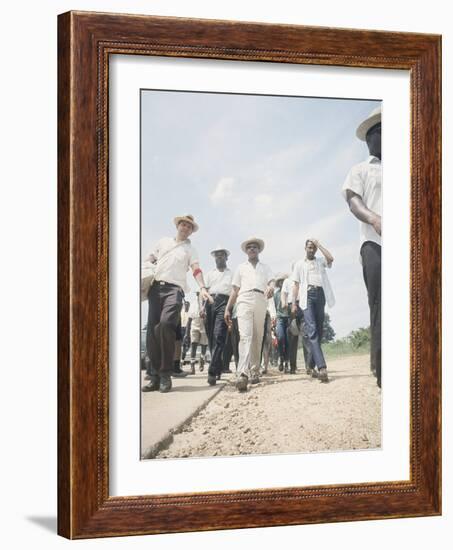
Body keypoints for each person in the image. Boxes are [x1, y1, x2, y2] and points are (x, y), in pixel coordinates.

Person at [142, 214, 212, 393]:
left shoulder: (190, 250)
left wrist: (203, 287)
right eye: (183, 224)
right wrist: (145, 266)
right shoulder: (163, 242)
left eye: (189, 226)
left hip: (175, 290)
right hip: (155, 288)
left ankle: (166, 373)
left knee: (166, 325)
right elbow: (150, 258)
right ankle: (155, 376)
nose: (185, 227)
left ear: (191, 231)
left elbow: (196, 269)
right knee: (152, 331)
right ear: (178, 226)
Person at [342, 106, 382, 388]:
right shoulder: (361, 169)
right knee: (380, 304)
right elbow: (353, 201)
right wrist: (374, 218)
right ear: (370, 139)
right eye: (377, 133)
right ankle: (383, 368)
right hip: (375, 243)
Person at [225, 237, 274, 392]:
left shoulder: (265, 267)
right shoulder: (241, 268)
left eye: (255, 247)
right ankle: (243, 373)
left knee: (257, 336)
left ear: (259, 250)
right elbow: (235, 290)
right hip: (244, 299)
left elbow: (272, 281)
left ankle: (254, 370)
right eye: (249, 247)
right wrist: (228, 308)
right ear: (246, 251)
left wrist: (271, 287)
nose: (252, 249)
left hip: (260, 299)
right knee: (245, 336)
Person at [292, 239, 335, 383]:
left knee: (319, 331)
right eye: (309, 247)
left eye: (314, 248)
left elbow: (331, 259)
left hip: (320, 295)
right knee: (312, 330)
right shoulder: (299, 264)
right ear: (305, 248)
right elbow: (296, 285)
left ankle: (310, 365)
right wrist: (293, 303)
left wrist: (320, 245)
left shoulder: (321, 261)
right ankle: (322, 368)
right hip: (307, 296)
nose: (312, 250)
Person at [204, 247, 233, 385]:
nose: (219, 258)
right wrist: (202, 307)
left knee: (219, 335)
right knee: (211, 338)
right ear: (214, 258)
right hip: (210, 303)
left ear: (226, 258)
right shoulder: (210, 274)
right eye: (217, 256)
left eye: (222, 255)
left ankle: (211, 371)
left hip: (224, 303)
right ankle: (218, 366)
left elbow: (234, 293)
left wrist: (231, 309)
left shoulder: (231, 274)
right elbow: (204, 291)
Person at [282, 268, 314, 375]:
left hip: (304, 305)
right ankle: (292, 366)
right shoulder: (287, 281)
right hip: (292, 307)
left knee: (306, 335)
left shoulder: (304, 279)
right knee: (293, 337)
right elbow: (284, 294)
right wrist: (284, 303)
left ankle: (308, 365)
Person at [273, 273, 290, 372]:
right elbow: (274, 308)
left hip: (288, 318)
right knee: (280, 337)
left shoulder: (289, 292)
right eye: (279, 281)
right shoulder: (276, 294)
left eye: (283, 281)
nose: (281, 283)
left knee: (288, 340)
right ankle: (281, 357)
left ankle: (286, 362)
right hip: (279, 318)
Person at [188, 293, 209, 374]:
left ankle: (202, 361)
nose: (199, 296)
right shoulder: (193, 304)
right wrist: (187, 332)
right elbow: (189, 319)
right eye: (198, 294)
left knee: (204, 346)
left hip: (204, 325)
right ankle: (192, 366)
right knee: (193, 345)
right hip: (194, 324)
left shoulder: (207, 303)